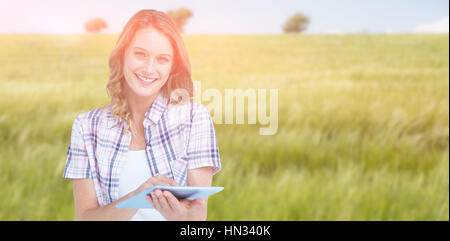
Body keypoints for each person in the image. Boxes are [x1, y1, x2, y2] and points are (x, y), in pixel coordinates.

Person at [62, 9, 221, 221]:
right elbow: (85, 218)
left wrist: (178, 215)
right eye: (140, 54)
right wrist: (137, 197)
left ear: (173, 66)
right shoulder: (87, 127)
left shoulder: (194, 118)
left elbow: (197, 215)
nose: (149, 68)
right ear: (122, 55)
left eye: (162, 59)